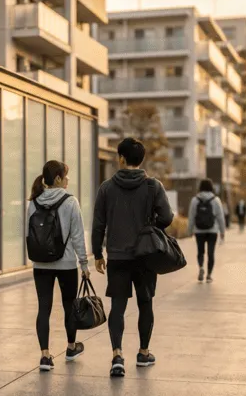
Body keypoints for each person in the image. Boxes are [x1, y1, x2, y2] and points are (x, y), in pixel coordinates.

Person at [92, 138, 174, 378]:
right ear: (142, 160)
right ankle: (143, 352)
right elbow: (167, 217)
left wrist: (98, 253)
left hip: (117, 256)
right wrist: (151, 227)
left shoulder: (107, 187)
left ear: (121, 158)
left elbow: (98, 224)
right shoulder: (153, 186)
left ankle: (117, 355)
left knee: (118, 306)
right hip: (145, 255)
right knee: (145, 303)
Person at [27, 161, 89, 372]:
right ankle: (71, 347)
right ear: (58, 179)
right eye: (66, 176)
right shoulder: (70, 202)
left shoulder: (33, 202)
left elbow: (28, 234)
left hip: (41, 263)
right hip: (66, 264)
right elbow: (78, 236)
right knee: (69, 306)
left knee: (43, 307)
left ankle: (45, 356)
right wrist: (84, 263)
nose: (68, 180)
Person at [187, 179, 226, 283]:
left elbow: (191, 217)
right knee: (211, 253)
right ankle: (209, 275)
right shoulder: (216, 200)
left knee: (200, 251)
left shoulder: (195, 200)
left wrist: (189, 230)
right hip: (212, 230)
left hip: (199, 230)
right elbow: (220, 217)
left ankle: (201, 268)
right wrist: (222, 231)